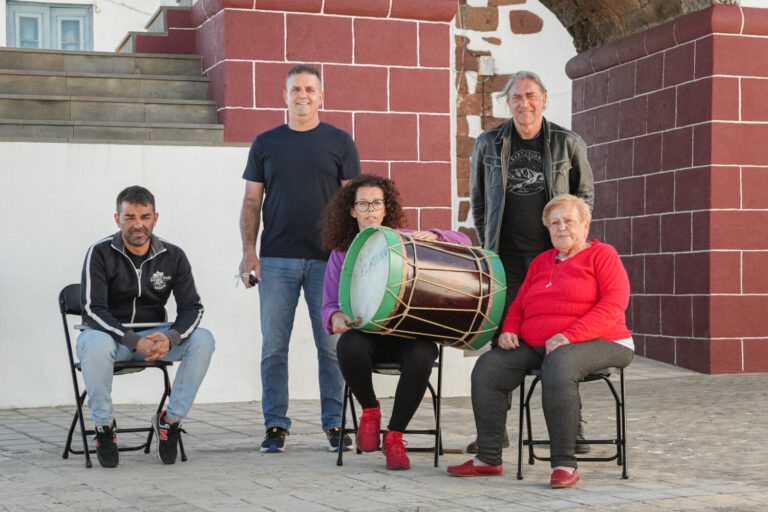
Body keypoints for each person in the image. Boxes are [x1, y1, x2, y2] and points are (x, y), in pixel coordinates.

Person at [447, 195, 634, 488]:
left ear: (585, 225)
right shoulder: (540, 262)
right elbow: (519, 305)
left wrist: (570, 335)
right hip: (542, 345)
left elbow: (613, 305)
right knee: (489, 366)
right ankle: (488, 459)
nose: (562, 228)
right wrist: (509, 330)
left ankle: (563, 464)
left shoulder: (603, 255)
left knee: (559, 363)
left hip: (604, 340)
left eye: (569, 221)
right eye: (554, 223)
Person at [466, 70, 595, 454]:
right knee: (502, 339)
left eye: (531, 95)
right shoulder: (488, 143)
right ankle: (494, 431)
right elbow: (478, 201)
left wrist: (570, 244)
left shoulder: (568, 142)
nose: (524, 103)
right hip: (504, 260)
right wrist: (490, 244)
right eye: (516, 97)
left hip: (553, 262)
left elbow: (584, 198)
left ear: (544, 98)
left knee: (564, 337)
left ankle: (574, 431)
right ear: (508, 103)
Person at [239, 64, 361, 453]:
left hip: (329, 262)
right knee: (273, 347)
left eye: (310, 89)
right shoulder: (265, 143)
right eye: (295, 89)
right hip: (275, 260)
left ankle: (335, 426)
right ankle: (275, 425)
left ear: (322, 96)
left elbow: (353, 204)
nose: (302, 95)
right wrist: (248, 253)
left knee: (330, 347)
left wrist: (352, 258)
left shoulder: (341, 142)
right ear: (285, 96)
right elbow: (251, 201)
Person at [321, 174, 470, 470]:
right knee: (348, 345)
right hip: (368, 338)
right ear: (352, 210)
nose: (370, 210)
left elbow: (464, 240)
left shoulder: (404, 240)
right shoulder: (342, 254)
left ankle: (395, 436)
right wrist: (336, 317)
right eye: (362, 204)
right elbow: (328, 306)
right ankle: (370, 412)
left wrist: (436, 236)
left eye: (376, 203)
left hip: (406, 335)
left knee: (424, 352)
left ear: (386, 208)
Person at [78, 185, 215, 468]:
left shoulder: (173, 255)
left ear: (155, 217)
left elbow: (193, 307)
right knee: (94, 343)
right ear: (117, 219)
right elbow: (94, 309)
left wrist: (171, 338)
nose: (138, 224)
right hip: (111, 339)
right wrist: (131, 339)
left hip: (154, 339)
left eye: (145, 216)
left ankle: (170, 422)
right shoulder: (100, 252)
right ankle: (104, 428)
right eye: (130, 217)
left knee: (203, 339)